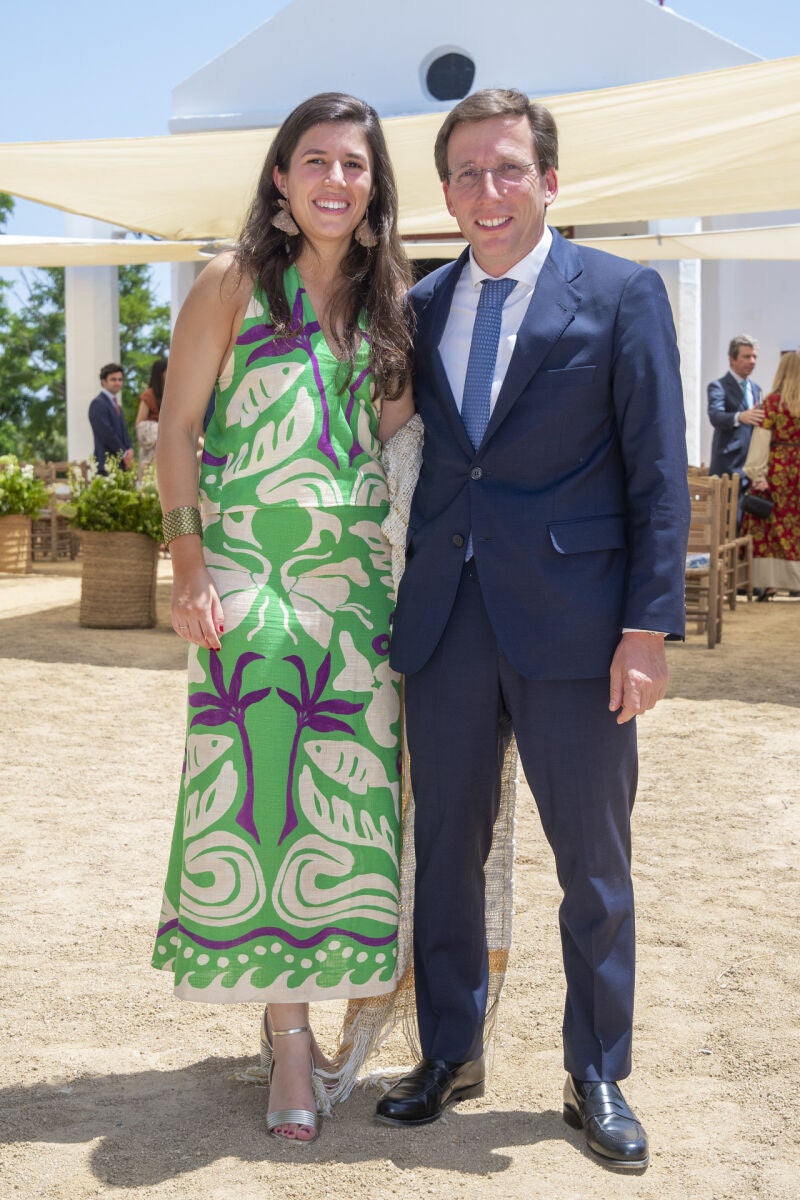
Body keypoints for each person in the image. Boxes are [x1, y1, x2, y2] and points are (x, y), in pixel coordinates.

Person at [375, 89, 690, 1172]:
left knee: (591, 864)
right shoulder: (415, 306)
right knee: (444, 854)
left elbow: (656, 476)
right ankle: (447, 1053)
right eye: (464, 173)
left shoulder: (619, 292)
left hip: (577, 629)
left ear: (548, 180)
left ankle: (594, 1070)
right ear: (446, 192)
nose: (486, 191)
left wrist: (645, 626)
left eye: (506, 168)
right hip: (446, 627)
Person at [151, 92, 414, 1144]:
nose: (334, 181)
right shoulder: (228, 283)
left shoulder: (390, 299)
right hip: (248, 573)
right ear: (279, 176)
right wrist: (186, 565)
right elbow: (175, 433)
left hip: (355, 588)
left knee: (346, 811)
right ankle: (287, 1041)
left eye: (354, 165)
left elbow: (399, 445)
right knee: (257, 807)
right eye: (315, 161)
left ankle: (333, 1008)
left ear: (371, 184)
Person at [741, 350, 800, 599]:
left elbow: (761, 442)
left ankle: (770, 583)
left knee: (769, 527)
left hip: (778, 471)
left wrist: (757, 474)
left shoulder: (773, 403)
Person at [707, 336, 764, 481]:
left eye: (754, 357)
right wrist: (740, 417)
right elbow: (715, 416)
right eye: (746, 356)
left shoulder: (756, 389)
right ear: (732, 359)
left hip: (751, 468)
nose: (752, 361)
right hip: (728, 467)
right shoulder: (718, 387)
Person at [87, 362, 133, 474]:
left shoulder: (117, 405)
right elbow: (107, 433)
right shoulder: (98, 404)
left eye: (120, 379)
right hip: (106, 463)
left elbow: (124, 432)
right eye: (113, 379)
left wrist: (130, 449)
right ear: (103, 381)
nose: (118, 383)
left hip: (121, 464)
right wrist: (124, 454)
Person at [135, 355, 167, 479]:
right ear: (160, 373)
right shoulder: (148, 395)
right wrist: (163, 430)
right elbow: (140, 423)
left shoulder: (172, 394)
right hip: (152, 450)